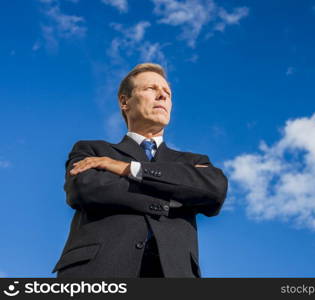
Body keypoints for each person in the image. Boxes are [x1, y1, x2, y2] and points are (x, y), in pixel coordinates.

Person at [51, 63, 228, 278]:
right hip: (98, 273)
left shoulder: (193, 161)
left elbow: (214, 190)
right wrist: (171, 198)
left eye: (167, 93)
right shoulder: (91, 150)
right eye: (151, 89)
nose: (162, 96)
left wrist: (129, 168)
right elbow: (85, 189)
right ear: (125, 102)